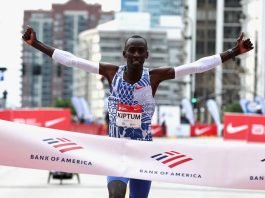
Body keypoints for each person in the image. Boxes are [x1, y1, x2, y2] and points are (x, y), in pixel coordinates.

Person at [22, 26, 253, 198]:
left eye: (140, 51)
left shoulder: (154, 77)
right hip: (115, 150)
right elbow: (72, 61)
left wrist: (234, 51)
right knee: (115, 195)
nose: (135, 55)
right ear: (124, 53)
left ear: (146, 55)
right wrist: (36, 43)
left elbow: (196, 66)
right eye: (131, 50)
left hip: (144, 152)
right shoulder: (111, 73)